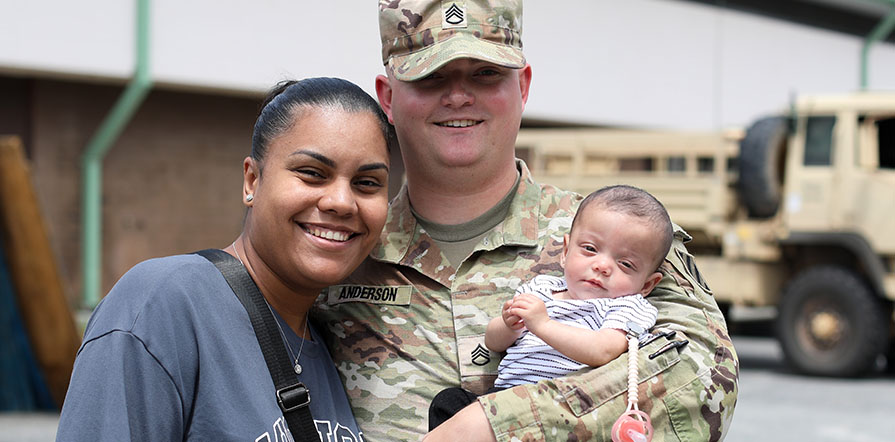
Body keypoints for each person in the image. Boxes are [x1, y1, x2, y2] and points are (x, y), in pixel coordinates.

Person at [315, 1, 739, 440]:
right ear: (387, 97)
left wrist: (496, 427)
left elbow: (703, 377)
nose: (458, 96)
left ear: (523, 85)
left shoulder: (615, 236)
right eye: (430, 76)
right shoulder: (342, 245)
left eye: (485, 74)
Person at [56, 77, 396, 441]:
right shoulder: (163, 305)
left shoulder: (339, 342)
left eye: (367, 183)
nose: (341, 202)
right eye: (312, 174)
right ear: (252, 181)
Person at [428, 185, 672, 429]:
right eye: (590, 249)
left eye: (626, 264)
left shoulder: (627, 305)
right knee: (448, 402)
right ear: (565, 251)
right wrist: (509, 326)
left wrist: (543, 324)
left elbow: (603, 350)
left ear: (646, 285)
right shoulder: (541, 288)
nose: (602, 266)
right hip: (504, 397)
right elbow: (493, 342)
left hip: (567, 406)